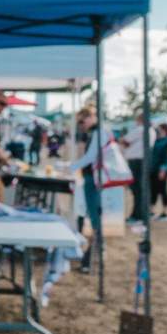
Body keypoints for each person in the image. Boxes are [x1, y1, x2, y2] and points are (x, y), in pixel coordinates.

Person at [69, 106, 108, 274]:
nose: (80, 125)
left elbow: (91, 157)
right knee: (93, 218)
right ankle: (94, 253)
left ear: (91, 117)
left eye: (81, 121)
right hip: (93, 178)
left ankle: (92, 256)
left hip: (95, 179)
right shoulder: (97, 133)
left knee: (94, 218)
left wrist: (72, 167)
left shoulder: (99, 133)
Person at [120, 112, 153, 223]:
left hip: (136, 162)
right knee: (141, 189)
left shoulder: (140, 129)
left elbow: (125, 140)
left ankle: (137, 215)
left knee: (137, 190)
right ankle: (141, 214)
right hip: (144, 161)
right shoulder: (151, 131)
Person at [149, 122, 167, 220]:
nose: (157, 131)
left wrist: (163, 170)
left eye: (160, 129)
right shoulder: (155, 141)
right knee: (153, 190)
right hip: (153, 170)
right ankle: (151, 210)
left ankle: (165, 212)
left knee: (162, 190)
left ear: (165, 131)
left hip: (162, 170)